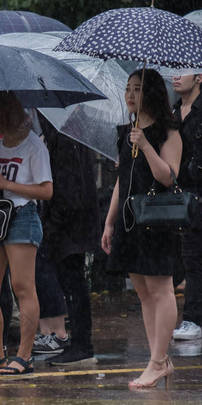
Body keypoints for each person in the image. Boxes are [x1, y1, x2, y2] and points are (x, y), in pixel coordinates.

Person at [102, 69, 182, 389]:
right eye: (127, 89)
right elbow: (122, 182)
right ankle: (158, 357)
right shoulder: (127, 131)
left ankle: (157, 361)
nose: (130, 95)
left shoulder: (168, 130)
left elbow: (168, 177)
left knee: (161, 289)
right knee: (144, 292)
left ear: (151, 93)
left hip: (157, 219)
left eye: (137, 89)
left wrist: (146, 145)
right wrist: (109, 221)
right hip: (129, 219)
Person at [0, 92, 52, 375]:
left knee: (22, 286)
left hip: (22, 217)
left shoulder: (34, 147)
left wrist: (9, 184)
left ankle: (25, 355)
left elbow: (46, 190)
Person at [34, 114, 99, 366]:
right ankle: (80, 343)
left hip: (70, 226)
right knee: (73, 284)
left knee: (74, 285)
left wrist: (52, 224)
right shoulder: (65, 133)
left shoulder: (64, 136)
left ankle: (81, 344)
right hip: (70, 223)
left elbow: (68, 188)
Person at [172, 74, 202, 341]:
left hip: (197, 195)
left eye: (184, 70)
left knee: (194, 262)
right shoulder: (171, 113)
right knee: (187, 260)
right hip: (176, 197)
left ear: (200, 77)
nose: (176, 75)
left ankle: (192, 318)